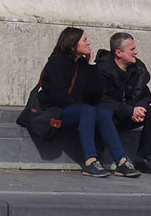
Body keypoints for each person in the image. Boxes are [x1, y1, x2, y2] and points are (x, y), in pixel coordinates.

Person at [38, 26, 140, 178]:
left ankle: (121, 161)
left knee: (103, 113)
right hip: (54, 111)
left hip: (78, 110)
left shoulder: (82, 63)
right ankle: (90, 161)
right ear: (73, 45)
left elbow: (96, 93)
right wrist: (82, 106)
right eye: (84, 40)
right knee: (87, 110)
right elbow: (58, 96)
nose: (89, 42)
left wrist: (92, 65)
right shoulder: (57, 61)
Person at [95, 31, 151, 173]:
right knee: (103, 112)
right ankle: (98, 157)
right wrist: (129, 110)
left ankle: (144, 159)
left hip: (129, 115)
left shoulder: (138, 68)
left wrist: (139, 108)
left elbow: (145, 94)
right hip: (110, 117)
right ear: (118, 53)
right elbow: (103, 100)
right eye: (132, 49)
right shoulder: (102, 69)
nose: (136, 52)